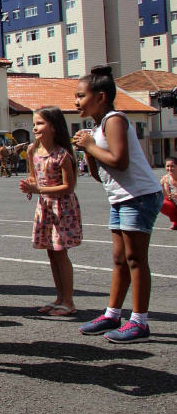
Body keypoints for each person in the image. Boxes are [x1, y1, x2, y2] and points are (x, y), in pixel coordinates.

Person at [74, 65, 164, 343]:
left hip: (139, 196)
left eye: (80, 95)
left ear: (100, 97)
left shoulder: (115, 120)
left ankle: (139, 322)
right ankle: (112, 314)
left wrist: (90, 146)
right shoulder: (99, 127)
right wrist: (87, 150)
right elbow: (100, 175)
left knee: (135, 260)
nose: (76, 101)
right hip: (122, 198)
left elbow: (120, 162)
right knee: (119, 259)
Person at [19, 106, 82, 316]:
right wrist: (30, 186)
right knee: (51, 253)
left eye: (40, 123)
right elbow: (34, 179)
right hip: (45, 206)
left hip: (62, 208)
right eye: (34, 123)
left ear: (54, 127)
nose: (35, 127)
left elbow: (69, 187)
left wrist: (38, 189)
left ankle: (69, 301)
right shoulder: (33, 151)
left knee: (60, 253)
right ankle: (59, 297)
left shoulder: (62, 155)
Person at [160, 156, 177, 230]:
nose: (170, 169)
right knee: (162, 203)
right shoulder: (166, 178)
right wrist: (162, 186)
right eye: (168, 166)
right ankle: (175, 221)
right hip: (175, 204)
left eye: (172, 166)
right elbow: (167, 198)